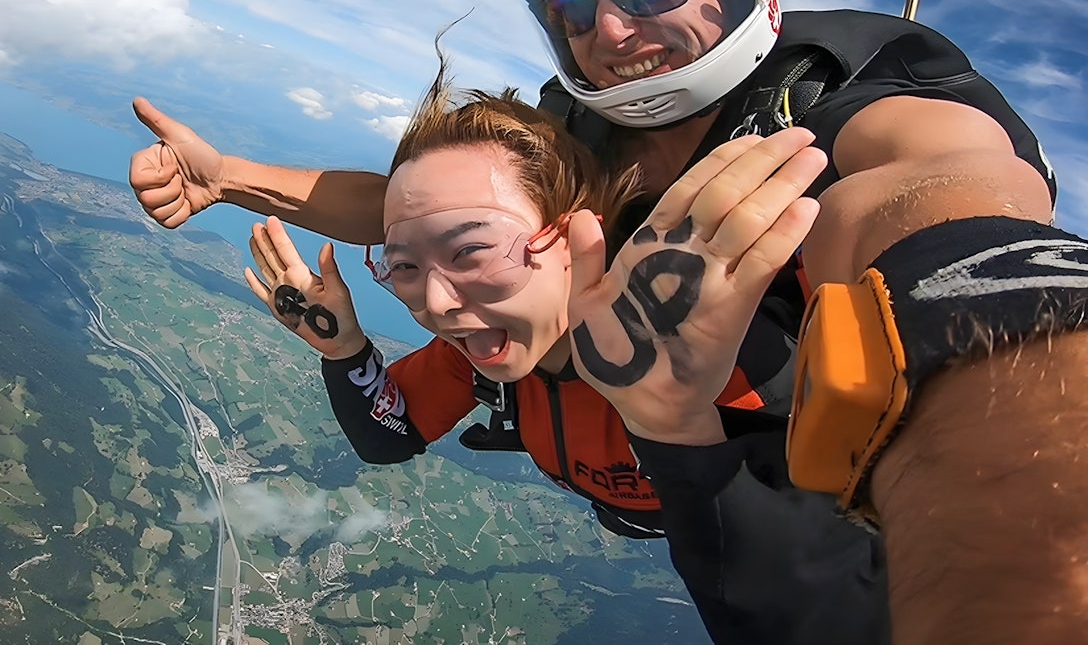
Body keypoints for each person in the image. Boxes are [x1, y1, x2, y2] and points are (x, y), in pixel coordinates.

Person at [129, 0, 1088, 642]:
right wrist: (239, 184)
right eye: (573, 10)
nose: (610, 30)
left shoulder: (848, 109)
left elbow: (944, 194)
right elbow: (424, 218)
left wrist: (990, 319)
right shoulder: (524, 276)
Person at [242, 58, 888, 644]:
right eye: (402, 265)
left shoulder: (734, 359)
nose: (434, 303)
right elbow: (391, 433)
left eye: (471, 251)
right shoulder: (487, 353)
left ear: (578, 232)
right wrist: (346, 349)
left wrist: (680, 427)